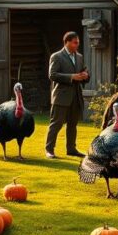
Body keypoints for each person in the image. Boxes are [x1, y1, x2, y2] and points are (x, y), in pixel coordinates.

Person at [45, 31, 89, 159]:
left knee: (72, 124)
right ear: (67, 42)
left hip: (76, 96)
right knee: (56, 123)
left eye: (78, 43)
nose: (77, 45)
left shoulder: (79, 57)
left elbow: (84, 71)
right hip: (61, 96)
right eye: (75, 42)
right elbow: (52, 75)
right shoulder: (56, 56)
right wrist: (72, 77)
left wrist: (86, 75)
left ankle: (71, 149)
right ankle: (49, 150)